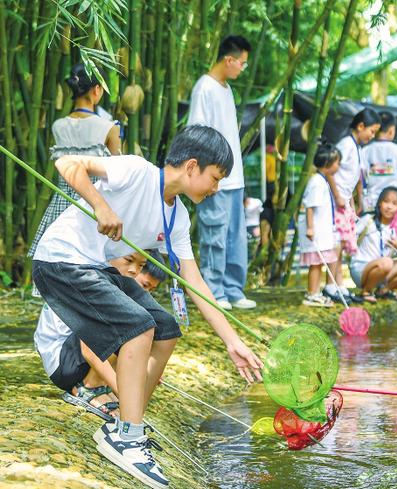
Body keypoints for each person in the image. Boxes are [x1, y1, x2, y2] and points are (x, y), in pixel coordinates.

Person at [32, 125, 263, 489]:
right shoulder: (137, 171)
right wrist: (101, 205)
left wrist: (233, 343)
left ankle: (127, 417)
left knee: (166, 328)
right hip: (61, 262)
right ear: (191, 166)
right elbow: (67, 163)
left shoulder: (179, 218)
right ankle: (127, 436)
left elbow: (195, 283)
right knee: (138, 326)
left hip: (93, 269)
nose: (216, 188)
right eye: (215, 178)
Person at [34, 250, 164, 421]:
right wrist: (127, 394)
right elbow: (89, 350)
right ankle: (90, 386)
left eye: (140, 265)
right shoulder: (91, 282)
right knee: (125, 325)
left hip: (75, 358)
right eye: (129, 260)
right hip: (62, 362)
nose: (133, 270)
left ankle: (102, 385)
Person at [187, 35, 256, 310]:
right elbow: (197, 134)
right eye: (243, 63)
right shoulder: (204, 88)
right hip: (214, 178)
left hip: (234, 176)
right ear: (229, 60)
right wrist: (205, 177)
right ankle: (214, 291)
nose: (242, 68)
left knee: (235, 235)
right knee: (214, 233)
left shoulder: (226, 89)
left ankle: (233, 288)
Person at [28, 63, 121, 259]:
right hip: (93, 205)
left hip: (61, 203)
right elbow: (119, 171)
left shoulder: (58, 126)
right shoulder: (109, 128)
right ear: (96, 90)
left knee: (58, 257)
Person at [324, 108, 381, 303]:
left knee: (342, 242)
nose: (372, 136)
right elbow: (329, 171)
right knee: (337, 243)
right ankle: (330, 285)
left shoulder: (356, 147)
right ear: (361, 126)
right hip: (335, 201)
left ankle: (339, 285)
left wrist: (350, 202)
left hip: (344, 201)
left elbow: (351, 178)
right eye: (371, 131)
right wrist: (339, 197)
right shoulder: (346, 145)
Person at [298, 142, 341, 307]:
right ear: (328, 163)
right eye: (337, 162)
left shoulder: (321, 180)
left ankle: (315, 292)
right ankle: (312, 294)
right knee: (315, 264)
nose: (338, 166)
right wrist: (310, 227)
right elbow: (310, 206)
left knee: (319, 263)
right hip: (315, 231)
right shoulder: (317, 181)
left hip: (321, 231)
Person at [350, 187, 397, 303]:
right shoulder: (368, 220)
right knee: (387, 262)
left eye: (394, 203)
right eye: (386, 201)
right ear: (379, 203)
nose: (389, 206)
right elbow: (350, 236)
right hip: (362, 269)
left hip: (382, 271)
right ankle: (366, 291)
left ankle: (383, 291)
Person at [361, 111, 397, 211]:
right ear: (391, 130)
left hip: (371, 204)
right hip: (393, 205)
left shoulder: (365, 151)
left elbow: (361, 179)